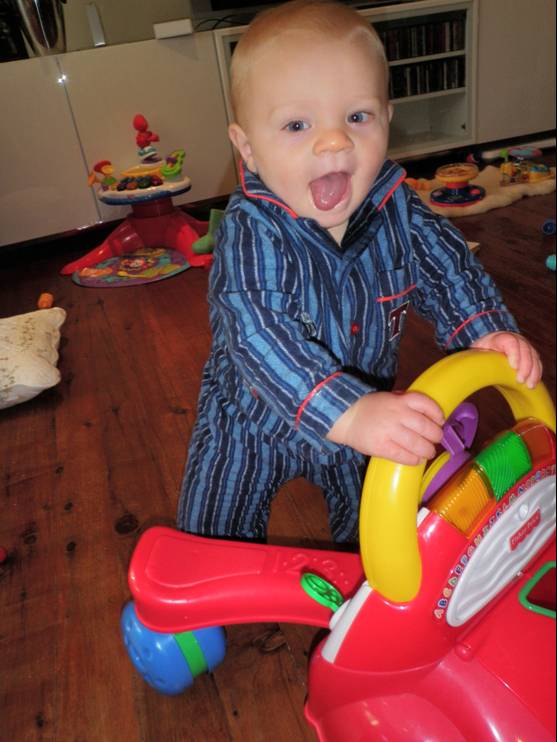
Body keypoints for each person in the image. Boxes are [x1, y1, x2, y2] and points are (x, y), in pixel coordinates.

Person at [177, 0, 542, 543]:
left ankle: (364, 577)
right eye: (297, 124)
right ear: (248, 148)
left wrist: (484, 330)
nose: (334, 141)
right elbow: (257, 333)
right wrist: (346, 412)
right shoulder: (251, 230)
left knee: (375, 532)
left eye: (356, 117)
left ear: (387, 120)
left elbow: (448, 269)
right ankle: (207, 567)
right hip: (252, 418)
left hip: (366, 404)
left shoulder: (399, 207)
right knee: (212, 530)